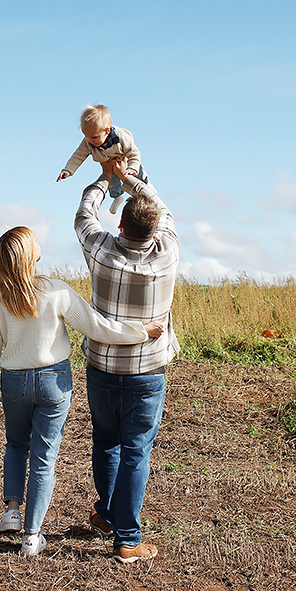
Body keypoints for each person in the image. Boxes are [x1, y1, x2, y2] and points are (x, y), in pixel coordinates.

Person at [0, 226, 165, 558]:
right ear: (31, 255)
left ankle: (11, 510)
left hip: (14, 381)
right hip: (53, 383)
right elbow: (96, 326)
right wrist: (140, 331)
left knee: (16, 446)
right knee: (44, 458)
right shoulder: (56, 291)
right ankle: (31, 537)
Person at [74, 156, 180, 564]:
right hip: (148, 371)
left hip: (102, 368)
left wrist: (105, 178)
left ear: (120, 225)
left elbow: (85, 212)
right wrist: (133, 180)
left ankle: (106, 514)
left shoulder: (101, 251)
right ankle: (127, 538)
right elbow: (161, 206)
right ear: (154, 230)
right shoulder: (167, 253)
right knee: (136, 450)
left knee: (105, 442)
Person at [57, 103, 150, 214]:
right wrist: (67, 170)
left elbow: (133, 152)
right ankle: (117, 197)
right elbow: (78, 155)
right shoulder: (88, 142)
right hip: (109, 163)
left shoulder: (121, 137)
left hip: (124, 159)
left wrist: (133, 167)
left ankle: (147, 187)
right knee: (113, 182)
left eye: (94, 137)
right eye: (87, 137)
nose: (90, 141)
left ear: (106, 131)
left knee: (138, 173)